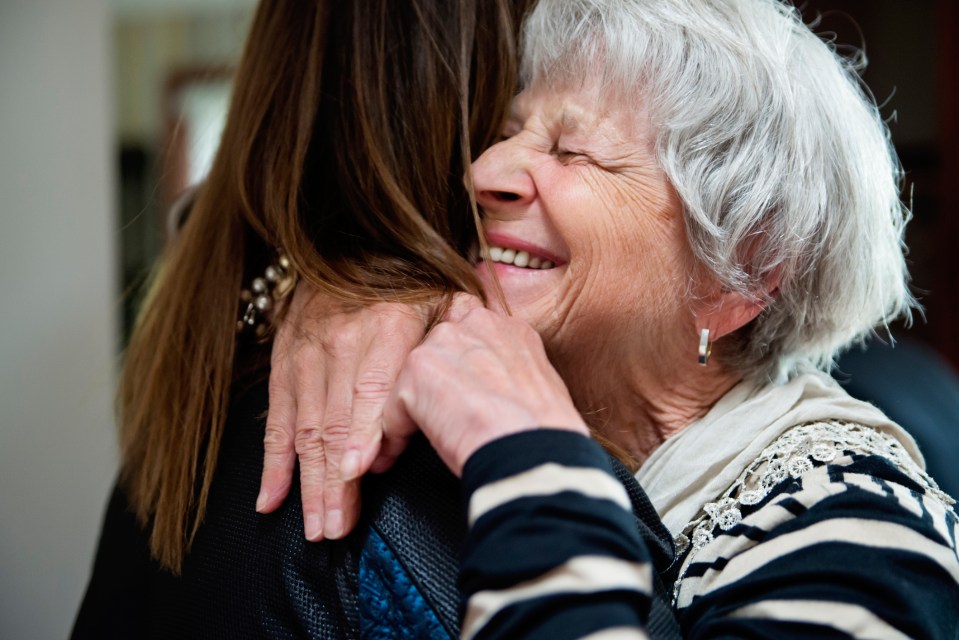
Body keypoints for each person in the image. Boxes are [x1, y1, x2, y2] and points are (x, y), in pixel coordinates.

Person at [268, 0, 959, 637]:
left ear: (735, 271)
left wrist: (526, 452)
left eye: (573, 151)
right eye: (509, 132)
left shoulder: (856, 523)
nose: (484, 170)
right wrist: (324, 286)